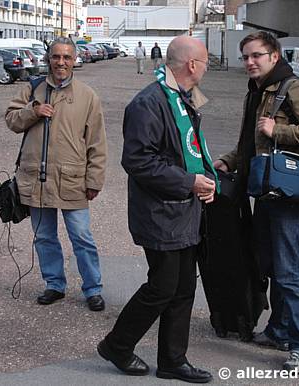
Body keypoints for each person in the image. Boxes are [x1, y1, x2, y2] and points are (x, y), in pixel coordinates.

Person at [98, 36, 216, 384]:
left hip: (184, 211)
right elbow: (137, 161)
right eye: (206, 61)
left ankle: (172, 361)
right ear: (192, 65)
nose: (207, 68)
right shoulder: (149, 103)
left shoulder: (186, 97)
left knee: (182, 288)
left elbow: (191, 147)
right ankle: (117, 345)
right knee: (162, 287)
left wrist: (207, 176)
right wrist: (189, 182)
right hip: (160, 213)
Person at [213, 31, 299, 371]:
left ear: (274, 56)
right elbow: (252, 143)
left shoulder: (297, 89)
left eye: (257, 56)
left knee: (290, 271)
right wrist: (229, 160)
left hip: (290, 197)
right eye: (246, 56)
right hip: (265, 193)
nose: (250, 62)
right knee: (271, 267)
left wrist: (277, 131)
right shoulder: (258, 93)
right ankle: (280, 329)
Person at [5, 37, 108, 311]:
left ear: (74, 60)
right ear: (48, 58)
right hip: (36, 180)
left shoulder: (87, 96)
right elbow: (11, 120)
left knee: (82, 238)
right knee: (44, 237)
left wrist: (94, 180)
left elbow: (97, 143)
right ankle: (54, 284)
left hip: (73, 180)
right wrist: (33, 111)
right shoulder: (33, 89)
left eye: (67, 57)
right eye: (56, 57)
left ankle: (93, 289)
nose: (61, 62)